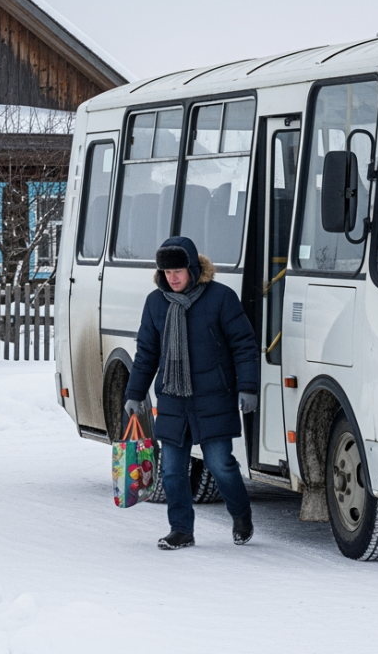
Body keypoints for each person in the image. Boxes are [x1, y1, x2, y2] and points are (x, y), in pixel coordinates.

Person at [123, 236, 259, 550]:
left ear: (193, 269)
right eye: (167, 271)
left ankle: (241, 515)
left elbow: (244, 346)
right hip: (173, 398)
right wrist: (134, 393)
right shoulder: (155, 303)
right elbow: (147, 353)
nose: (172, 277)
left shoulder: (221, 298)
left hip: (213, 396)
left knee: (220, 464)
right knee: (171, 470)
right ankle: (181, 530)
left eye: (178, 271)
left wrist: (248, 387)